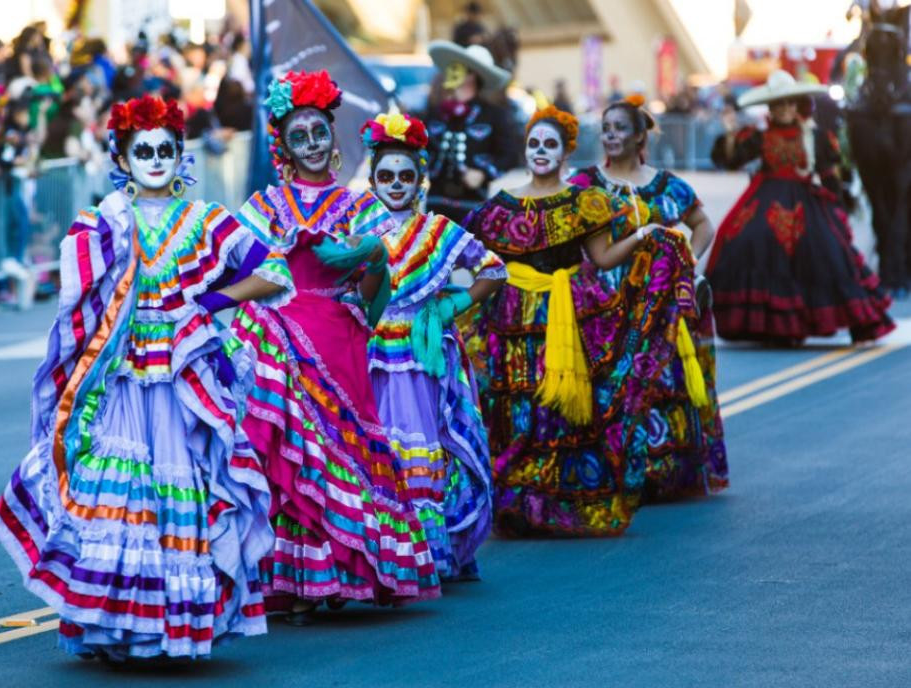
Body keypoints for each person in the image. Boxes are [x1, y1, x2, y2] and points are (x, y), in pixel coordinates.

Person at [0, 95, 292, 661]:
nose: (155, 160)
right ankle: (113, 628)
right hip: (121, 377)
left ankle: (171, 629)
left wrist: (208, 300)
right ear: (122, 159)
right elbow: (76, 293)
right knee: (116, 497)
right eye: (142, 151)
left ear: (182, 157)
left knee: (180, 494)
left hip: (183, 382)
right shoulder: (104, 220)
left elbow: (273, 270)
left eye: (165, 150)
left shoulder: (208, 220)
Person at [230, 70, 441, 624]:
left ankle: (342, 573)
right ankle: (291, 581)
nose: (314, 145)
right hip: (277, 334)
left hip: (338, 333)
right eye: (300, 136)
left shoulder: (359, 207)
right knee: (286, 455)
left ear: (332, 135)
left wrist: (367, 263)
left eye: (320, 132)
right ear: (285, 146)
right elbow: (239, 261)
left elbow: (375, 286)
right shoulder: (264, 203)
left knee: (340, 450)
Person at [461, 106, 705, 536]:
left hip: (570, 318)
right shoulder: (500, 206)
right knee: (516, 409)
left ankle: (557, 507)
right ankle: (517, 505)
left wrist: (644, 236)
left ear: (565, 152)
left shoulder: (585, 203)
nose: (540, 151)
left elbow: (604, 258)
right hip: (513, 318)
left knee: (560, 413)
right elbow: (477, 260)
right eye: (534, 143)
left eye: (550, 145)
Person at [361, 111, 506, 579]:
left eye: (406, 175)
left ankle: (430, 549)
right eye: (386, 176)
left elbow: (492, 269)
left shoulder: (439, 231)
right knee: (377, 445)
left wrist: (451, 305)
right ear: (372, 179)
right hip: (372, 354)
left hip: (425, 355)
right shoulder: (357, 229)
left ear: (421, 179)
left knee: (429, 442)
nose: (396, 184)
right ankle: (388, 550)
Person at [569, 95, 728, 502]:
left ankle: (661, 473)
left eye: (620, 129)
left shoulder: (667, 185)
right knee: (610, 380)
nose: (611, 137)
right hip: (606, 300)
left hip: (659, 303)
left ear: (640, 135)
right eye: (605, 130)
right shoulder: (585, 185)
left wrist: (685, 266)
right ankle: (614, 470)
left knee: (660, 378)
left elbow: (702, 225)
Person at [707, 70, 894, 343]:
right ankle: (768, 327)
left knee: (828, 250)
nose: (783, 109)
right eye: (778, 104)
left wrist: (838, 211)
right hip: (764, 197)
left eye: (788, 103)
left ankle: (852, 321)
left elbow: (829, 176)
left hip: (806, 202)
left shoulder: (816, 136)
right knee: (747, 239)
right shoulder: (758, 137)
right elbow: (732, 161)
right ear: (771, 108)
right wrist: (731, 135)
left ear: (798, 105)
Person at [424, 40, 514, 223]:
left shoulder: (493, 115)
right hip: (436, 203)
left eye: (461, 67)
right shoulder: (435, 112)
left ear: (473, 74)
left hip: (472, 205)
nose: (453, 72)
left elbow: (510, 155)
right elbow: (422, 148)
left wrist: (484, 173)